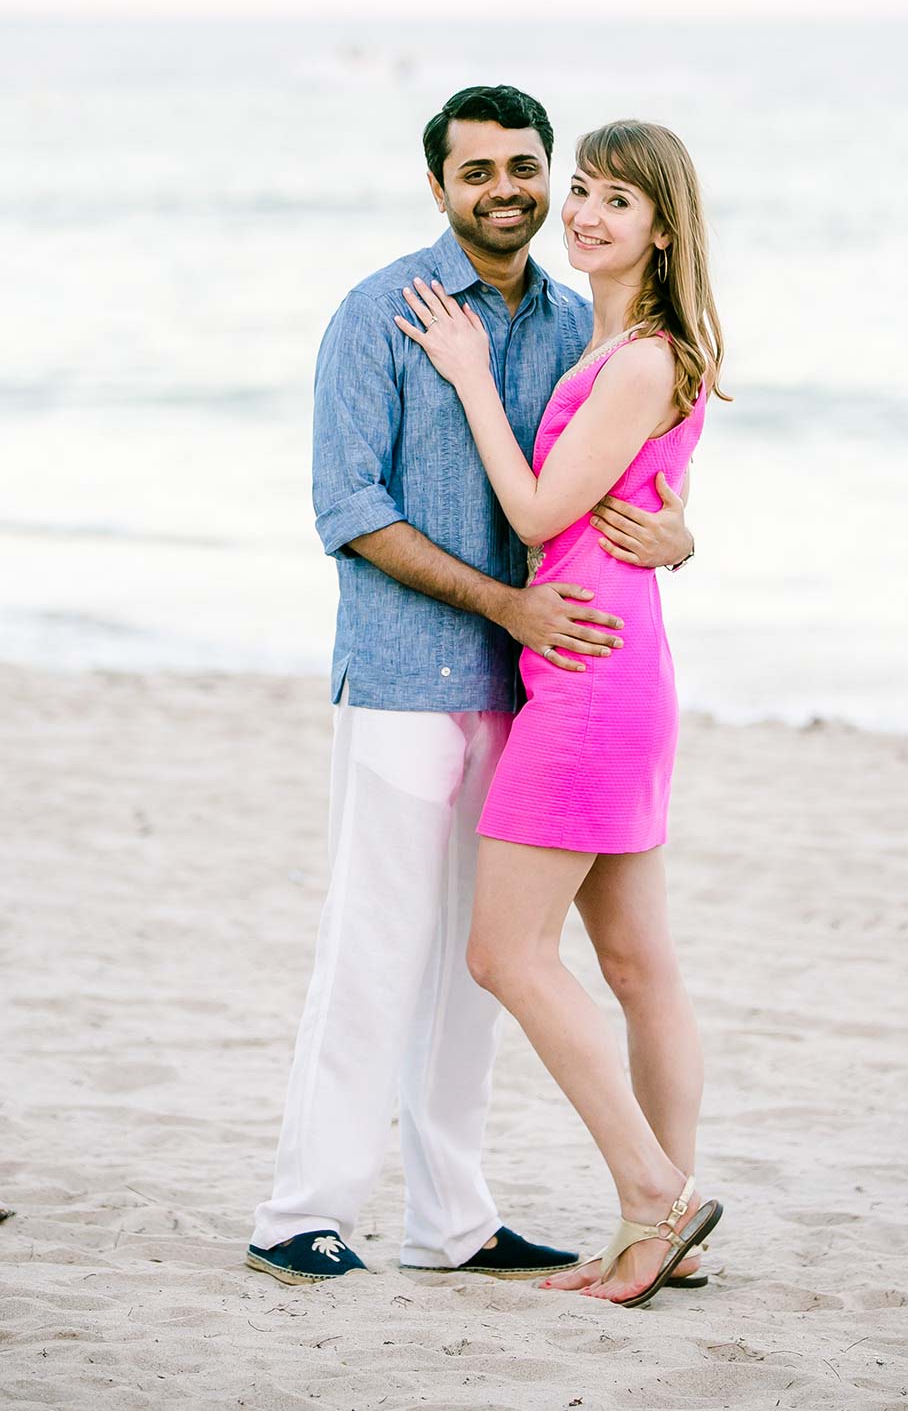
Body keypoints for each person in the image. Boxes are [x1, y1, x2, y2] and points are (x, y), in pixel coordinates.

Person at [246, 88, 695, 1286]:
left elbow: (615, 470)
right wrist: (504, 604)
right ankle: (301, 1211)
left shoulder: (571, 321)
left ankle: (455, 1221)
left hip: (529, 690)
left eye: (526, 167)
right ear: (439, 185)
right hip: (402, 676)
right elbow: (349, 511)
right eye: (479, 170)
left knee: (481, 960)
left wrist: (678, 529)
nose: (509, 189)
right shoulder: (379, 311)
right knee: (375, 942)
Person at [394, 118, 727, 1308]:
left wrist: (474, 375)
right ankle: (666, 1224)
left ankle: (654, 1197)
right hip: (621, 670)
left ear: (662, 228)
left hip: (589, 681)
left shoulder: (637, 357)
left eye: (615, 201)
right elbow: (646, 507)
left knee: (505, 952)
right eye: (579, 190)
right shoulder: (644, 350)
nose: (584, 214)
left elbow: (537, 516)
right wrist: (681, 540)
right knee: (638, 965)